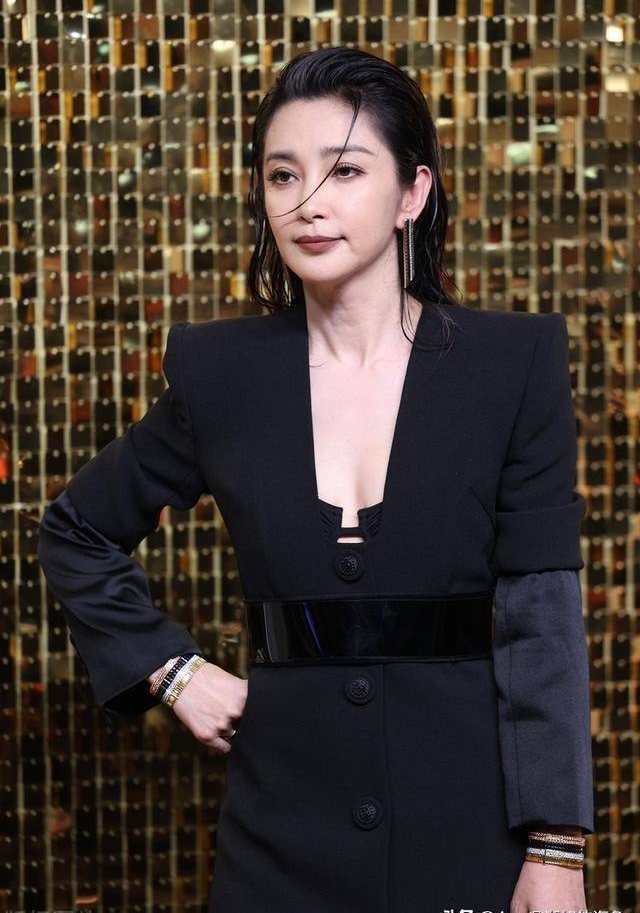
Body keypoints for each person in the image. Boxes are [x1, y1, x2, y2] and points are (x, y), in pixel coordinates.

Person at [37, 46, 594, 913]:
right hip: (278, 833)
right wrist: (173, 670)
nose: (307, 202)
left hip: (468, 824)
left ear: (412, 193)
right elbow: (76, 529)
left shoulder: (511, 365)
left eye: (346, 170)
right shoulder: (221, 374)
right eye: (282, 174)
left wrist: (556, 849)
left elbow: (543, 620)